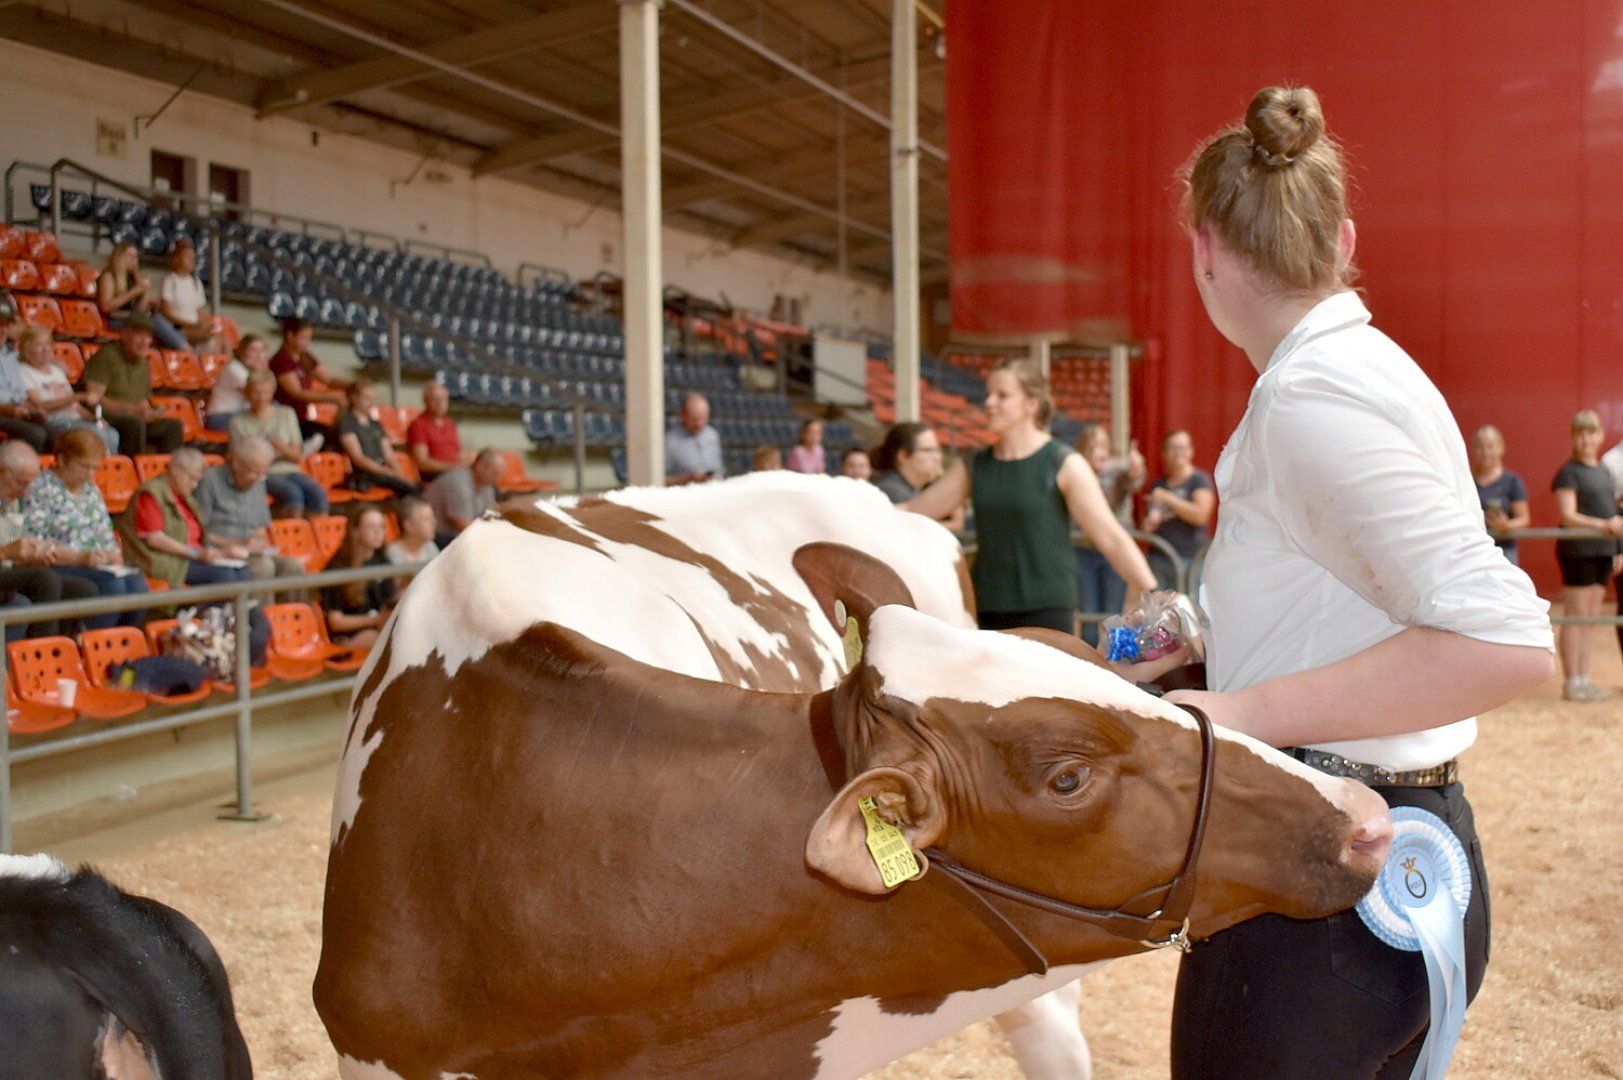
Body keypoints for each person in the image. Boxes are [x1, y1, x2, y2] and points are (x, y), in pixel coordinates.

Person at [1160, 85, 1554, 1078]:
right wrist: (1212, 651)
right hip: (1395, 858)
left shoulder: (1310, 396)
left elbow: (1503, 642)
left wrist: (1242, 704)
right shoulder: (1365, 371)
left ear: (1204, 249)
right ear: (1342, 239)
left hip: (1318, 898)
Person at [907, 357, 1157, 633]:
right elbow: (912, 510)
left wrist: (1150, 591)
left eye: (1002, 396)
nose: (989, 403)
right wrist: (858, 503)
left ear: (1032, 404)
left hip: (1048, 613)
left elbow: (1111, 537)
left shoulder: (1064, 463)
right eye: (988, 394)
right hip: (987, 609)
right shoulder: (974, 465)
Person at [22, 428, 150, 630]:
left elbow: (104, 533)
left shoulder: (91, 490)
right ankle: (93, 648)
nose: (90, 474)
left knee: (138, 586)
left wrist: (112, 556)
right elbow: (33, 542)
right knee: (112, 586)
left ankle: (121, 646)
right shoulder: (40, 488)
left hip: (96, 563)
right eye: (84, 466)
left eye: (94, 468)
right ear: (63, 459)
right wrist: (80, 558)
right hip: (60, 563)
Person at [1550, 410, 1623, 703]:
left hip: (1602, 552)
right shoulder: (1569, 472)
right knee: (1576, 617)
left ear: (1600, 436)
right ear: (1573, 436)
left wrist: (1616, 547)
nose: (1586, 438)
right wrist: (1601, 526)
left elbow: (1611, 513)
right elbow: (1568, 516)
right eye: (1580, 432)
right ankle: (1572, 682)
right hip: (1579, 551)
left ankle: (1584, 678)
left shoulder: (1604, 471)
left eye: (1591, 432)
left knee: (1590, 620)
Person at [0, 440, 99, 640]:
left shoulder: (10, 500)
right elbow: (7, 551)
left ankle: (66, 649)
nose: (26, 492)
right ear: (2, 472)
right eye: (22, 483)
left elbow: (12, 548)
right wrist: (6, 552)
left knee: (85, 589)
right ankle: (43, 657)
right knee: (45, 580)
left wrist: (31, 553)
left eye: (30, 484)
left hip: (6, 568)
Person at [119, 447, 252, 594]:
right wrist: (195, 553)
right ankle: (212, 615)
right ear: (176, 471)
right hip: (163, 560)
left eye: (197, 480)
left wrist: (220, 552)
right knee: (224, 575)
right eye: (191, 478)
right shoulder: (151, 494)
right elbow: (154, 539)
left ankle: (235, 615)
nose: (194, 485)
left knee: (242, 571)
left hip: (190, 557)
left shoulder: (185, 497)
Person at [194, 437, 306, 588]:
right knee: (263, 567)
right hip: (223, 552)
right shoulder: (210, 481)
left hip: (252, 552)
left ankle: (291, 612)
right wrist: (239, 544)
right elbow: (200, 532)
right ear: (236, 463)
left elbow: (261, 527)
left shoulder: (258, 482)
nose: (258, 479)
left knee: (292, 566)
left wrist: (259, 541)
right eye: (253, 472)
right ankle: (257, 612)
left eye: (263, 474)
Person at [1074, 423, 1145, 646]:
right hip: (1084, 550)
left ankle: (1113, 664)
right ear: (1083, 451)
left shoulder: (1116, 470)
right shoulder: (1075, 473)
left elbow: (1133, 478)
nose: (1099, 452)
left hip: (1113, 553)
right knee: (1088, 612)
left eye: (1103, 446)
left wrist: (1136, 469)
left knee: (1113, 613)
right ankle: (1089, 662)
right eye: (1092, 447)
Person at [80, 314, 185, 454]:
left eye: (148, 336)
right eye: (138, 335)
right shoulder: (106, 356)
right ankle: (132, 469)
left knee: (174, 426)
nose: (144, 341)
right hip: (109, 416)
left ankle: (167, 471)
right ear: (124, 335)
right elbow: (93, 399)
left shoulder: (144, 363)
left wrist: (156, 410)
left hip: (136, 417)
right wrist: (131, 409)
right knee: (134, 423)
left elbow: (146, 399)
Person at [229, 371, 329, 517]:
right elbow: (238, 460)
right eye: (256, 392)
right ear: (248, 393)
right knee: (293, 494)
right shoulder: (238, 423)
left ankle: (317, 535)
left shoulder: (287, 414)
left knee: (318, 494)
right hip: (263, 475)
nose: (261, 398)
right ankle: (290, 535)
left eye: (266, 392)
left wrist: (281, 448)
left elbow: (297, 456)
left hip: (291, 470)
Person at [16, 325, 117, 453]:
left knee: (112, 434)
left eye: (48, 344)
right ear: (26, 349)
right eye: (39, 345)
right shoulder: (23, 371)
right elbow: (40, 405)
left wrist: (94, 419)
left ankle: (106, 469)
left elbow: (75, 405)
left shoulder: (57, 371)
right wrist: (77, 396)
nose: (46, 350)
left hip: (75, 419)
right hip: (53, 421)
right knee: (95, 434)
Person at [1140, 429, 1215, 591]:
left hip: (1190, 559)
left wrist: (1168, 498)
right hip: (1160, 557)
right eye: (1173, 448)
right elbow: (1152, 518)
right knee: (1160, 611)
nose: (1177, 453)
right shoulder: (1159, 484)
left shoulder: (1199, 480)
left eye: (1182, 447)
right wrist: (1150, 523)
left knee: (1189, 610)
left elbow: (1200, 515)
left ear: (1191, 451)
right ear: (1164, 453)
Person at [321, 507, 395, 649]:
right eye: (371, 527)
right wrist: (375, 620)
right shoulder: (338, 567)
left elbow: (389, 599)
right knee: (389, 642)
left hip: (379, 627)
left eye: (381, 526)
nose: (378, 532)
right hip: (350, 635)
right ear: (355, 531)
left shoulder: (382, 560)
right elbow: (336, 622)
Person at [871, 422, 964, 531]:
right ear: (903, 456)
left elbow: (957, 523)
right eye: (929, 450)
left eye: (938, 450)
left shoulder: (913, 488)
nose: (938, 458)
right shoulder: (891, 490)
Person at [270, 317, 351, 441]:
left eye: (309, 338)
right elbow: (297, 393)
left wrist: (353, 386)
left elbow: (329, 380)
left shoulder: (305, 357)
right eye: (303, 338)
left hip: (302, 418)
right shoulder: (281, 360)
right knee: (322, 438)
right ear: (290, 335)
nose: (307, 343)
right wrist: (333, 397)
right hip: (287, 420)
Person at [337, 379, 421, 498]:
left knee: (416, 487)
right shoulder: (347, 423)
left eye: (373, 398)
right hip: (364, 475)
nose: (371, 402)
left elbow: (389, 456)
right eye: (367, 398)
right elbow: (358, 458)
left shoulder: (376, 424)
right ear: (354, 398)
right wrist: (387, 472)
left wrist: (400, 475)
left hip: (382, 473)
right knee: (412, 490)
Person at [96, 241, 186, 348]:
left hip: (133, 318)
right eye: (129, 255)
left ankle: (184, 350)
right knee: (155, 321)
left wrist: (145, 292)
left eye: (135, 256)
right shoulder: (108, 276)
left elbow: (140, 310)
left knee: (163, 319)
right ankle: (185, 350)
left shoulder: (133, 278)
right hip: (116, 320)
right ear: (119, 256)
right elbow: (106, 306)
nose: (133, 259)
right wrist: (134, 292)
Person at [1471, 424, 1531, 564]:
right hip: (1472, 549)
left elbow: (1524, 519)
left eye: (1490, 446)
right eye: (1480, 447)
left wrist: (1507, 526)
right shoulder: (1465, 480)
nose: (1485, 452)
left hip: (1505, 551)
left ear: (1501, 448)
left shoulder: (1512, 481)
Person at [0, 292, 50, 452]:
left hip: (16, 410)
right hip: (4, 411)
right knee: (36, 434)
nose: (2, 330)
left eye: (6, 324)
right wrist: (11, 411)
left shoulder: (11, 355)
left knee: (58, 429)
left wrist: (32, 410)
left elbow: (19, 394)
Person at [156, 238, 224, 353]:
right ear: (177, 259)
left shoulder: (196, 282)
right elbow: (167, 312)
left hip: (194, 326)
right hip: (177, 327)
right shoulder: (170, 280)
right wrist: (190, 325)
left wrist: (205, 326)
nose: (192, 260)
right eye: (188, 257)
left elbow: (200, 311)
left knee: (221, 338)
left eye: (194, 257)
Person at [425, 448, 502, 546]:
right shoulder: (458, 482)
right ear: (481, 466)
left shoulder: (486, 484)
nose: (498, 479)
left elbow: (491, 515)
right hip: (439, 537)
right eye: (495, 473)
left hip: (459, 536)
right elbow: (463, 525)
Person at [406, 382, 475, 481]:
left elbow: (458, 453)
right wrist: (453, 467)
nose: (440, 403)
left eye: (444, 399)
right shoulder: (418, 425)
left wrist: (470, 460)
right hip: (435, 477)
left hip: (456, 473)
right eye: (435, 399)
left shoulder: (450, 423)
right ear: (426, 401)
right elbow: (422, 463)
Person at [206, 334, 271, 432]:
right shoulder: (234, 369)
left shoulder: (253, 370)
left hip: (242, 413)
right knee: (268, 419)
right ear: (243, 351)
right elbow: (258, 396)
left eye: (262, 351)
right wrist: (262, 370)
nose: (259, 355)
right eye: (253, 350)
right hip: (221, 417)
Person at [665, 392, 723, 486]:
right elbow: (660, 479)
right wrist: (687, 479)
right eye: (694, 419)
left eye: (703, 418)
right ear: (683, 415)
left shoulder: (712, 435)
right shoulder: (669, 441)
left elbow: (720, 470)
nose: (699, 424)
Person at [385, 496, 439, 591]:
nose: (434, 522)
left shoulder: (430, 545)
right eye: (426, 519)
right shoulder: (391, 553)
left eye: (432, 518)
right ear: (409, 525)